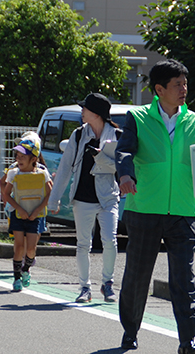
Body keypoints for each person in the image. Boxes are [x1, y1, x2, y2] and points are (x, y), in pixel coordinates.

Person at [115, 59, 195, 354]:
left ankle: (188, 341)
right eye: (177, 84)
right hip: (145, 208)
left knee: (183, 279)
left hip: (184, 211)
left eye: (185, 83)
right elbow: (124, 150)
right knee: (137, 276)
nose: (184, 89)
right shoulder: (137, 118)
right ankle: (130, 332)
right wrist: (125, 174)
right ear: (159, 89)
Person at [48, 93, 122, 303]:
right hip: (82, 198)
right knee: (83, 244)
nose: (82, 111)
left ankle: (108, 283)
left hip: (108, 197)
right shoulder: (78, 135)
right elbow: (64, 169)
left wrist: (99, 155)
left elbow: (120, 167)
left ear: (96, 113)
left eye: (85, 108)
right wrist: (54, 200)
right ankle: (84, 287)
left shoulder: (116, 135)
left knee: (110, 240)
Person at [4, 137, 52, 292]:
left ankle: (26, 269)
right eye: (17, 156)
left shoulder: (42, 174)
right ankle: (17, 277)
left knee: (31, 248)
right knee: (18, 246)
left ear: (34, 159)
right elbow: (6, 195)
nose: (19, 159)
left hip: (35, 216)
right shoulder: (13, 174)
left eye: (23, 157)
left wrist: (37, 211)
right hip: (18, 215)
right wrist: (20, 209)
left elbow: (50, 194)